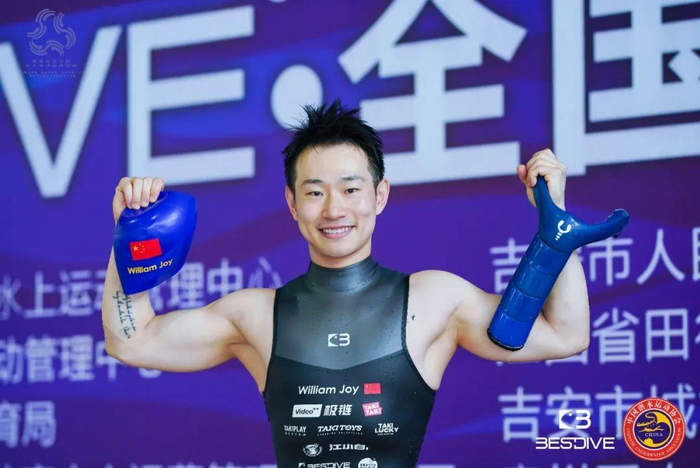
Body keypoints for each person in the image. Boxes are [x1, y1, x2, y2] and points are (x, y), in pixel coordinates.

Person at [102, 100, 589, 467]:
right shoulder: (255, 314)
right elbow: (133, 341)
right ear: (292, 204)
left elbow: (564, 334)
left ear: (379, 196)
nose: (334, 209)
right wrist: (130, 236)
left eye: (351, 189)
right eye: (315, 192)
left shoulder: (434, 300)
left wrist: (557, 222)